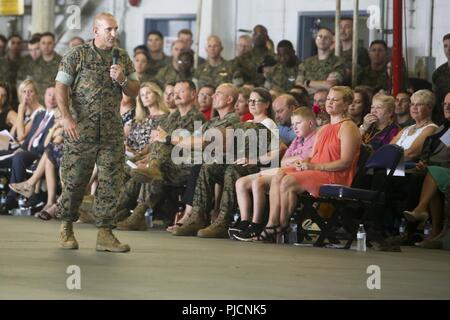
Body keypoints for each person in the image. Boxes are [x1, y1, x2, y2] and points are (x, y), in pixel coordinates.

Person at [55, 12, 139, 252]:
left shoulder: (122, 57)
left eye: (115, 29)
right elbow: (60, 86)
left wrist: (122, 79)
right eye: (109, 30)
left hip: (112, 132)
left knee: (111, 182)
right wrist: (67, 117)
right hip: (81, 131)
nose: (114, 34)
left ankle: (105, 233)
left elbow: (134, 90)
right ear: (95, 31)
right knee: (75, 180)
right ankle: (66, 227)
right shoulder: (76, 55)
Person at [258, 86, 361, 243]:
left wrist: (313, 166)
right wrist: (303, 162)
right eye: (328, 99)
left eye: (335, 99)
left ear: (346, 104)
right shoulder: (324, 128)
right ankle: (273, 223)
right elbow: (313, 157)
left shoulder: (349, 127)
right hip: (316, 170)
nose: (330, 102)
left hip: (333, 175)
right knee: (279, 174)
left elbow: (345, 162)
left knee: (288, 181)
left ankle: (281, 225)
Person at [174, 87, 279, 238]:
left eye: (257, 101)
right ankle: (198, 216)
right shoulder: (247, 121)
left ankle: (223, 220)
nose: (252, 104)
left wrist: (253, 159)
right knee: (208, 167)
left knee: (232, 170)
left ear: (267, 104)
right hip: (237, 160)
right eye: (250, 100)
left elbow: (277, 149)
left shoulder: (269, 124)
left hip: (258, 166)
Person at [232, 107, 317, 241]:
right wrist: (294, 160)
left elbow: (306, 161)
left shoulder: (315, 139)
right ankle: (244, 222)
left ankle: (256, 225)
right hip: (281, 170)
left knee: (258, 183)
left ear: (311, 123)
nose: (294, 127)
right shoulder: (297, 140)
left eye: (298, 123)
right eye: (293, 124)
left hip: (293, 176)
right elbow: (283, 162)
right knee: (240, 182)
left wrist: (294, 161)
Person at [9, 109, 64, 220]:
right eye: (56, 119)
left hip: (70, 154)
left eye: (59, 118)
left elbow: (53, 143)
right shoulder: (57, 128)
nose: (57, 120)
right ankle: (49, 202)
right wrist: (53, 128)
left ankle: (31, 184)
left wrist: (57, 129)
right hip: (57, 153)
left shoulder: (64, 129)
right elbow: (46, 144)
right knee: (49, 154)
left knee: (49, 152)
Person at [390, 89, 438, 162]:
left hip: (406, 170)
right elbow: (388, 148)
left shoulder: (431, 128)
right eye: (412, 104)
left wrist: (387, 158)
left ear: (430, 108)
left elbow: (411, 154)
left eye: (419, 104)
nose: (414, 107)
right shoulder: (406, 129)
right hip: (392, 166)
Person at [295, 28, 345, 95]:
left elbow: (330, 85)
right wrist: (321, 86)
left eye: (326, 37)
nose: (322, 39)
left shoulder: (338, 62)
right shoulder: (306, 63)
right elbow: (298, 85)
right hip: (307, 103)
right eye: (319, 36)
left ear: (331, 41)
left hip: (327, 103)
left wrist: (308, 82)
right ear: (315, 40)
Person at [432, 33, 450, 124]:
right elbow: (435, 100)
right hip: (441, 120)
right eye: (445, 46)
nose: (448, 49)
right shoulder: (438, 73)